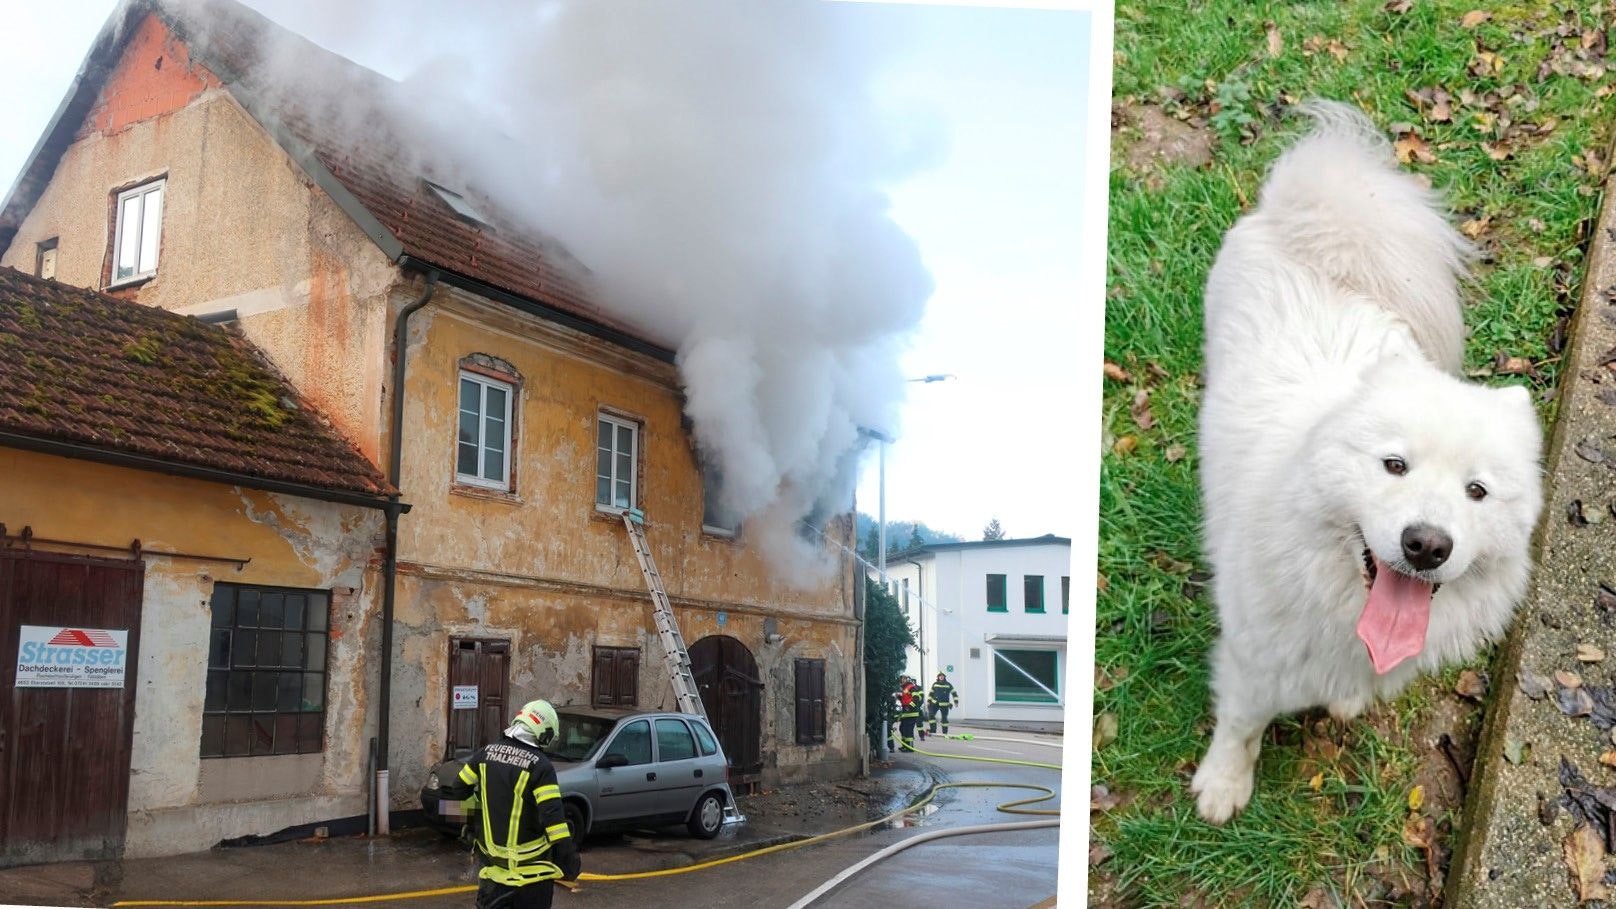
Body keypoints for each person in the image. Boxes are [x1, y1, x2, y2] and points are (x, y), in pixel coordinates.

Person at [438, 699, 582, 909]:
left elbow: (457, 789)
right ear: (543, 732)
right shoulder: (541, 766)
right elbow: (554, 821)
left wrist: (477, 818)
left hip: (492, 877)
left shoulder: (485, 754)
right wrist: (569, 861)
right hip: (531, 883)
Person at [895, 677, 923, 752]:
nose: (902, 680)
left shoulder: (911, 687)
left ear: (908, 680)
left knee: (908, 730)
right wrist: (899, 697)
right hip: (906, 713)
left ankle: (910, 747)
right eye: (902, 679)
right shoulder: (905, 689)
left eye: (904, 678)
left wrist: (910, 707)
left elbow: (916, 698)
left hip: (911, 713)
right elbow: (905, 700)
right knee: (902, 729)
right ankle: (905, 745)